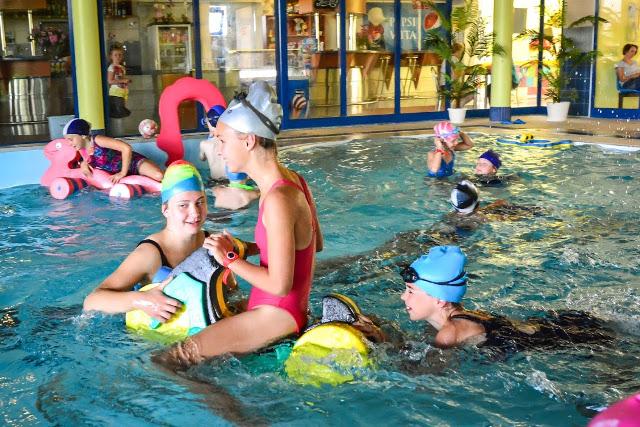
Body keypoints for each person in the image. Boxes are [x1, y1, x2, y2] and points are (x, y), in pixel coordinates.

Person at [153, 81, 324, 369]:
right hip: (281, 309)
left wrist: (229, 258)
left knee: (169, 360)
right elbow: (312, 244)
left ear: (248, 141)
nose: (218, 150)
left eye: (222, 140)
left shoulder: (278, 199)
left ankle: (233, 403)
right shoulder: (293, 181)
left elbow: (280, 285)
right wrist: (249, 248)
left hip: (275, 314)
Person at [400, 246, 614, 352]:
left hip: (567, 341)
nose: (403, 296)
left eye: (410, 291)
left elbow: (426, 377)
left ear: (439, 299)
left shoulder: (449, 334)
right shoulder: (453, 321)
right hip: (559, 326)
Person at [83, 161, 208, 319]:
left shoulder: (211, 242)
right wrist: (143, 300)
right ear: (166, 210)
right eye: (183, 205)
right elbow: (92, 302)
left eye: (200, 202)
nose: (195, 213)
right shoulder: (150, 254)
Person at [63, 118, 163, 184]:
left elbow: (126, 148)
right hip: (117, 173)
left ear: (83, 136)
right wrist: (83, 164)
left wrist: (123, 173)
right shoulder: (81, 149)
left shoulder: (98, 140)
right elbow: (88, 160)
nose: (69, 143)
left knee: (159, 176)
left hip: (134, 164)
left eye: (71, 139)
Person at [199, 105, 227, 181]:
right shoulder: (232, 141)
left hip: (214, 181)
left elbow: (202, 159)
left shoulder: (204, 144)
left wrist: (209, 138)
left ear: (208, 123)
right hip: (231, 181)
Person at [107, 45, 131, 118]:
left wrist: (126, 81)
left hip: (122, 92)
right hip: (115, 92)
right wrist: (123, 80)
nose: (118, 57)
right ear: (111, 56)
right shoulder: (111, 67)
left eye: (120, 55)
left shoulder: (121, 67)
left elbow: (121, 77)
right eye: (115, 55)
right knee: (119, 111)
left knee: (121, 110)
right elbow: (110, 81)